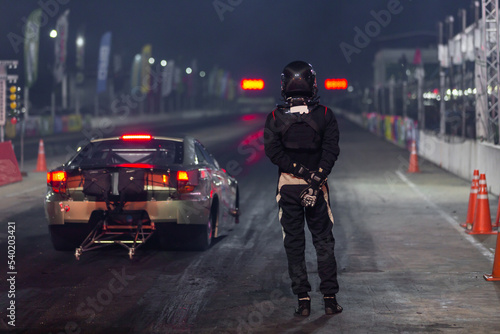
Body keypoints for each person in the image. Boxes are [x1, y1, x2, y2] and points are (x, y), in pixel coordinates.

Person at [264, 60, 342, 316]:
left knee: (294, 244)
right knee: (323, 243)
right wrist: (316, 179)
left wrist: (299, 172)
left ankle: (303, 301)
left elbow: (273, 152)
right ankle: (330, 300)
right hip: (318, 189)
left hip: (288, 187)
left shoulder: (275, 117)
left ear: (284, 85)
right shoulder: (326, 114)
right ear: (312, 83)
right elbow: (331, 151)